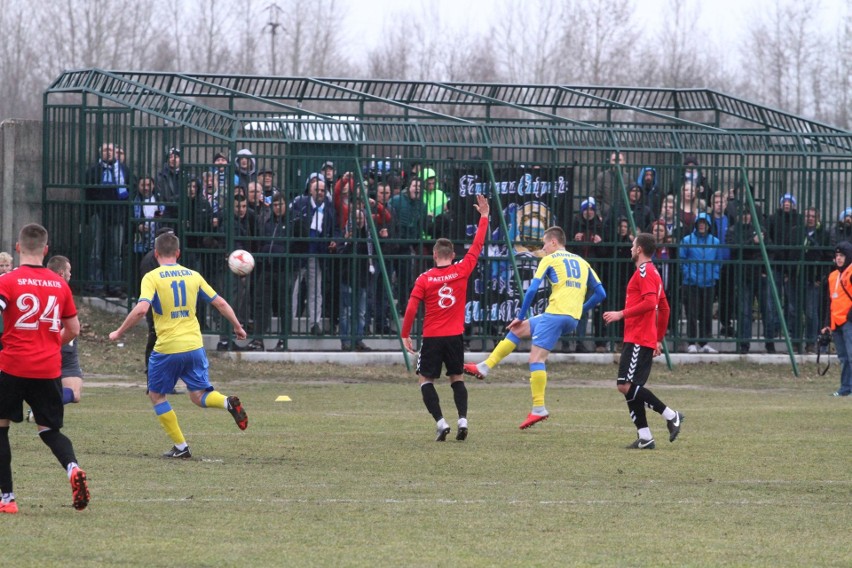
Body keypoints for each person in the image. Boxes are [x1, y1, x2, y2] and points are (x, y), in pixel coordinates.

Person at [108, 231, 249, 458]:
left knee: (157, 395)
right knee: (198, 395)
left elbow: (142, 308)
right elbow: (220, 302)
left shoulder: (152, 277)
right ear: (178, 253)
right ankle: (226, 403)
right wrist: (238, 327)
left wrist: (119, 331)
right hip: (194, 346)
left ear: (156, 254)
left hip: (167, 348)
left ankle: (181, 448)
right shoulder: (193, 275)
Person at [463, 226, 606, 429]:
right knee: (517, 331)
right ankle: (484, 367)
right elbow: (601, 294)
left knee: (536, 358)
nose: (543, 248)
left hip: (556, 314)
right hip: (569, 317)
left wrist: (519, 316)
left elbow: (530, 290)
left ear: (554, 242)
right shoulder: (583, 262)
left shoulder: (550, 259)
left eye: (545, 244)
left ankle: (539, 408)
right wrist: (580, 310)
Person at [0, 224, 89, 513]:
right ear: (46, 250)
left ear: (17, 247)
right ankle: (73, 469)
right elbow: (73, 328)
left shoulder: (8, 281)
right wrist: (52, 344)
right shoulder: (60, 284)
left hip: (12, 365)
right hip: (48, 368)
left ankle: (8, 500)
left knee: (1, 429)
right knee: (49, 430)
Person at [402, 194, 490, 441]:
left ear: (434, 255)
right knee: (457, 377)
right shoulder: (461, 269)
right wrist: (484, 217)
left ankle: (441, 423)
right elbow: (477, 246)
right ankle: (462, 419)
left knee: (425, 379)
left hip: (432, 336)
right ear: (452, 255)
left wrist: (405, 333)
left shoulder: (424, 278)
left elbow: (410, 307)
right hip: (454, 336)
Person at [603, 232, 683, 450]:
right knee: (630, 386)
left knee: (624, 385)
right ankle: (645, 437)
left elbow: (650, 303)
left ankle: (671, 415)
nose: (630, 249)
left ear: (639, 249)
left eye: (632, 245)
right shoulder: (654, 273)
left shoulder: (645, 271)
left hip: (638, 337)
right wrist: (657, 338)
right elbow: (664, 308)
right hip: (642, 337)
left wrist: (621, 314)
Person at [290, 175, 338, 335]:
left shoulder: (329, 206)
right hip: (299, 252)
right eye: (317, 189)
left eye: (323, 190)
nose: (320, 193)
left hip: (317, 253)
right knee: (293, 288)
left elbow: (335, 228)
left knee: (315, 289)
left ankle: (314, 323)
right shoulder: (300, 203)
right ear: (310, 190)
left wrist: (334, 240)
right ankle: (290, 322)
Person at [85, 141, 129, 298]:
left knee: (116, 252)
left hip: (117, 215)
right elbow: (88, 193)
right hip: (98, 214)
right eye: (105, 150)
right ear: (100, 152)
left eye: (110, 149)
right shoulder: (93, 171)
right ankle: (96, 284)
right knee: (95, 251)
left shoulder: (123, 170)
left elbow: (131, 190)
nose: (108, 152)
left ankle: (115, 285)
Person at [679, 212, 721, 353]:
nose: (702, 225)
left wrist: (714, 276)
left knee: (706, 312)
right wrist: (689, 274)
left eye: (704, 223)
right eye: (699, 222)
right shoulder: (687, 240)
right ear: (696, 224)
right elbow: (682, 260)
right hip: (691, 282)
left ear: (708, 225)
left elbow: (718, 261)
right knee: (691, 312)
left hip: (708, 282)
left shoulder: (715, 241)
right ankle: (691, 342)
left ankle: (704, 343)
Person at [821, 241, 852, 396]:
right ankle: (846, 388)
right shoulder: (833, 276)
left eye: (842, 255)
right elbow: (830, 301)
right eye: (837, 255)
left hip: (848, 321)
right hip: (836, 321)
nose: (839, 258)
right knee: (844, 357)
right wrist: (827, 323)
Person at [802, 207, 832, 353]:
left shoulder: (823, 234)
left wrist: (820, 277)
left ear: (818, 218)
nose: (810, 218)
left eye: (813, 216)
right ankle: (796, 341)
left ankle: (811, 342)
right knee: (793, 310)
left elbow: (827, 256)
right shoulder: (798, 231)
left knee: (811, 311)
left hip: (813, 278)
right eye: (808, 215)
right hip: (797, 276)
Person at [594, 151, 626, 219]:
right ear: (610, 162)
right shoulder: (602, 177)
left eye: (619, 160)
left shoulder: (628, 178)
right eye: (614, 160)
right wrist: (598, 215)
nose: (617, 162)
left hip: (623, 216)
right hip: (605, 215)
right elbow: (596, 198)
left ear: (624, 162)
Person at [155, 147, 181, 221]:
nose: (173, 159)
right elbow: (160, 197)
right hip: (167, 214)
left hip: (182, 213)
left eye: (176, 157)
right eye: (170, 157)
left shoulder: (185, 175)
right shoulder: (160, 176)